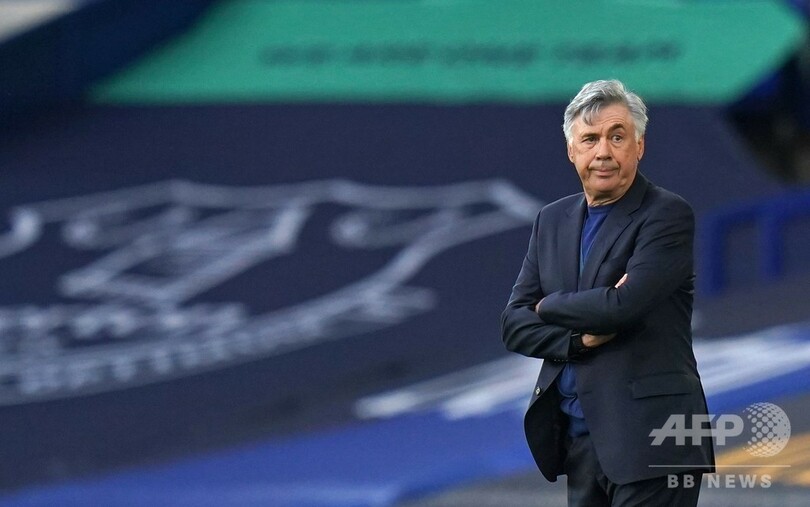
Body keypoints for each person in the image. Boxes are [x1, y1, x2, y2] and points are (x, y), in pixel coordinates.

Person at [500, 79, 715, 506]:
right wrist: (577, 340)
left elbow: (621, 307)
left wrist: (548, 305)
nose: (603, 152)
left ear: (639, 146)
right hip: (580, 441)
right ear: (571, 150)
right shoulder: (552, 220)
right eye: (590, 139)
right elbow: (513, 324)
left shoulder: (666, 214)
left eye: (617, 137)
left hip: (654, 443)